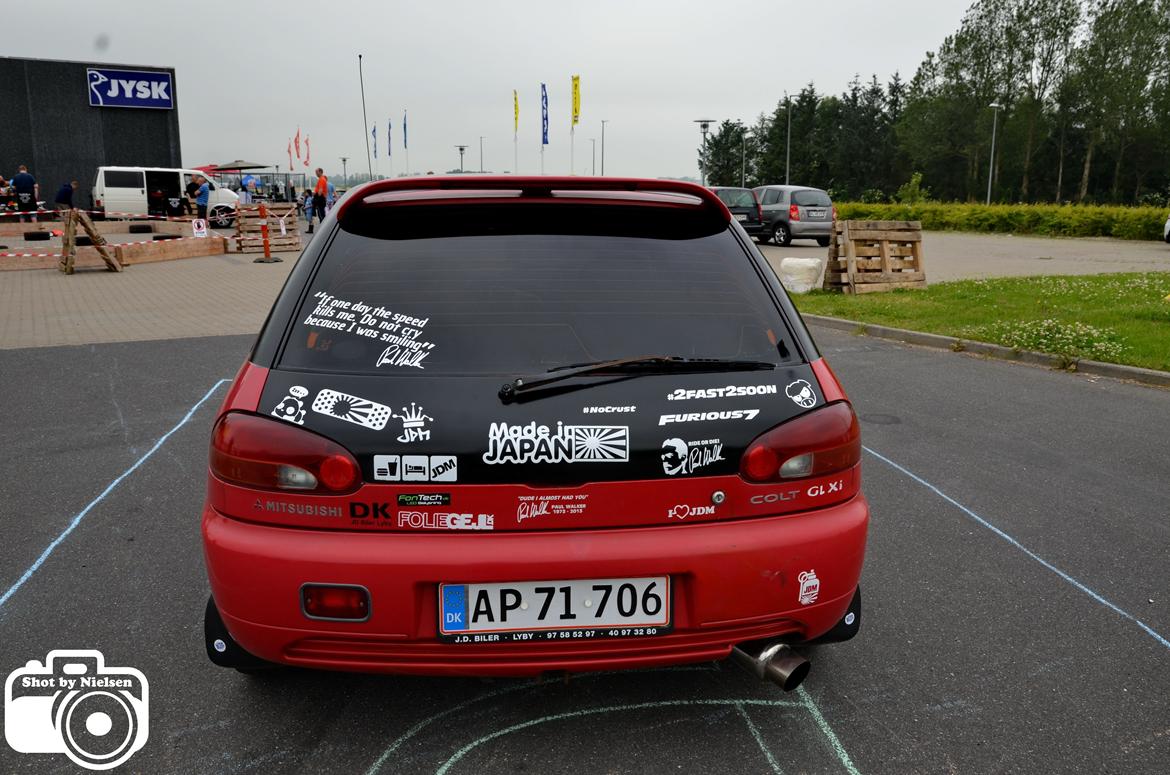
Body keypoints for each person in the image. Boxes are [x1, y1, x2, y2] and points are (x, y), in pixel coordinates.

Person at [310, 168, 328, 233]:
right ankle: (323, 228)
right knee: (321, 214)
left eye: (316, 172)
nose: (316, 173)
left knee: (321, 214)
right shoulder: (322, 179)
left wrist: (317, 196)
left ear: (320, 172)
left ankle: (324, 229)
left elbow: (320, 190)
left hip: (320, 198)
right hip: (321, 198)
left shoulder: (321, 179)